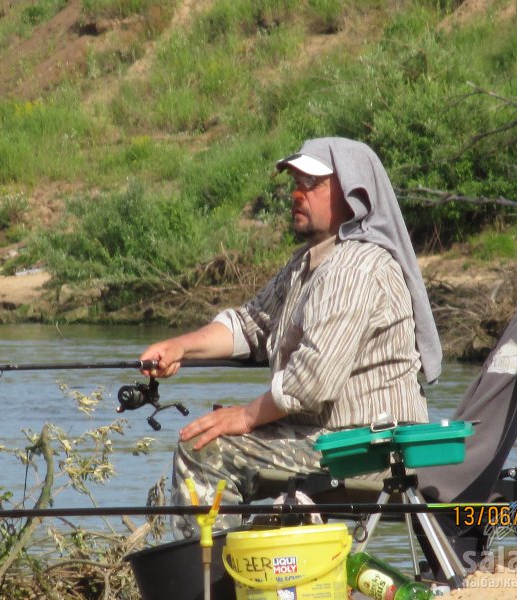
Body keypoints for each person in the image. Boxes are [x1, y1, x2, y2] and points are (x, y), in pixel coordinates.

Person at [139, 137, 442, 539]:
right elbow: (251, 323)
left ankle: (210, 580)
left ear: (352, 195)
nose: (297, 195)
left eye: (311, 185)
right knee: (214, 437)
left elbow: (309, 384)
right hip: (329, 438)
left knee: (207, 449)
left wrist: (244, 417)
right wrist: (182, 346)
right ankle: (244, 568)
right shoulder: (308, 262)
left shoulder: (356, 268)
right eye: (295, 184)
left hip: (371, 447)